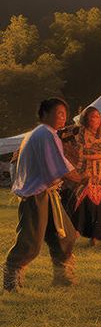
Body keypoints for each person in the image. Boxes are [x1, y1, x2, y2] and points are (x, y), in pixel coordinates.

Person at [3, 98, 81, 291]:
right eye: (59, 113)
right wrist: (81, 178)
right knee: (30, 242)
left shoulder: (43, 134)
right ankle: (11, 276)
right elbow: (59, 167)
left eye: (65, 113)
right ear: (45, 114)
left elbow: (57, 163)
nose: (63, 117)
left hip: (47, 193)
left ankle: (62, 276)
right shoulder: (45, 134)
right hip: (36, 195)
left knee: (65, 235)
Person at [69, 107, 101, 246]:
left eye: (98, 116)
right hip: (86, 172)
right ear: (86, 119)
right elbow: (81, 153)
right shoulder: (81, 132)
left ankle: (95, 236)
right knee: (84, 203)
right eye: (92, 116)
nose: (96, 119)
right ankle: (75, 233)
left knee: (100, 206)